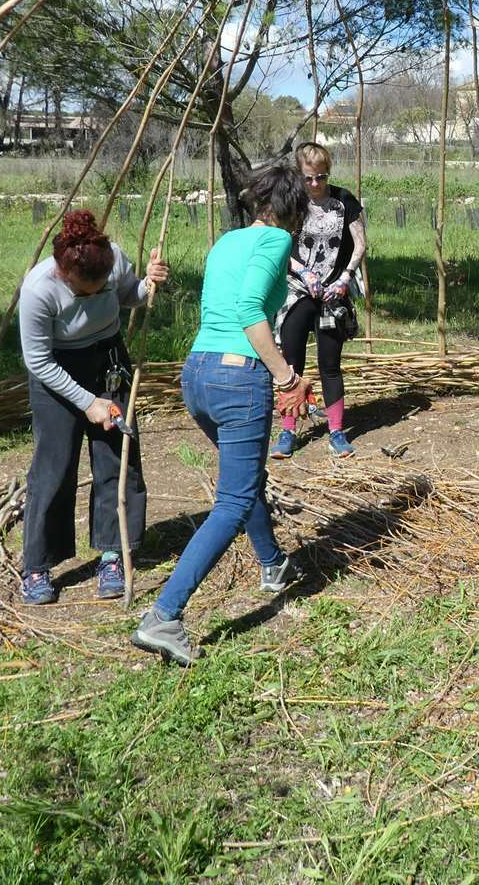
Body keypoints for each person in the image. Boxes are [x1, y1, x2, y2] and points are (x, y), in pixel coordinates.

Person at [132, 159, 312, 666]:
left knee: (245, 478)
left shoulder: (227, 240)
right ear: (292, 211)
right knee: (232, 503)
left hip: (198, 374)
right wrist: (285, 375)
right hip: (239, 377)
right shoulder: (276, 241)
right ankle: (164, 615)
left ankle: (272, 564)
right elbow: (251, 310)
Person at [17, 210, 168, 605]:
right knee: (54, 466)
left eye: (99, 287)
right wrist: (86, 403)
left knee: (118, 458)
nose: (94, 295)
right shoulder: (38, 290)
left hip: (108, 362)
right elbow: (38, 361)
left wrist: (148, 284)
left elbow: (128, 294)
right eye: (85, 292)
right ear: (64, 275)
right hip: (57, 371)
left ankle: (113, 554)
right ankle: (37, 565)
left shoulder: (113, 260)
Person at [272, 142, 367, 459]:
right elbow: (279, 244)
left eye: (321, 177)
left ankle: (337, 432)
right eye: (309, 178)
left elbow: (360, 244)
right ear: (300, 176)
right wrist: (302, 272)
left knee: (330, 365)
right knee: (290, 364)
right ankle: (287, 431)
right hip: (298, 290)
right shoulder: (291, 203)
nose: (315, 184)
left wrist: (345, 277)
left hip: (332, 293)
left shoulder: (344, 201)